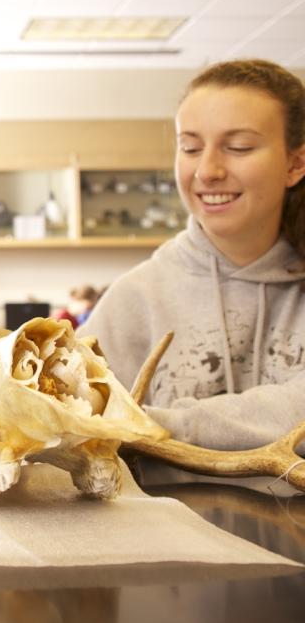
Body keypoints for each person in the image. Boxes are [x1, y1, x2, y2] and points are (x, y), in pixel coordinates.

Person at [80, 59, 305, 467]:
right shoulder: (136, 297)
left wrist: (155, 426)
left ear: (296, 164)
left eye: (239, 147)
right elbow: (71, 422)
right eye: (190, 147)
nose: (208, 170)